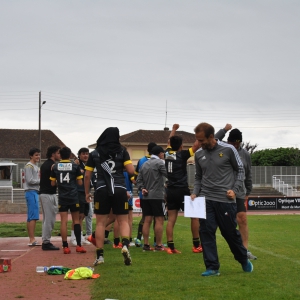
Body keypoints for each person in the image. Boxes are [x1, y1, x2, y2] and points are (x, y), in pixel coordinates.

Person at [191, 122, 253, 276]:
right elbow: (198, 177)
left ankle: (243, 258)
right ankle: (212, 267)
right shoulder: (199, 154)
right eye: (197, 140)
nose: (199, 143)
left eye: (201, 140)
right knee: (206, 231)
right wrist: (195, 192)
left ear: (211, 137)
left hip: (226, 200)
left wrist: (235, 190)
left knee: (229, 233)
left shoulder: (228, 149)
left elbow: (240, 171)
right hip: (206, 199)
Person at [84, 127, 135, 266]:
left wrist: (87, 193)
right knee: (123, 221)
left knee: (100, 223)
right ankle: (124, 245)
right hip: (119, 189)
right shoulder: (122, 151)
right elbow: (131, 171)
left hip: (101, 189)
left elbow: (87, 175)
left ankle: (100, 256)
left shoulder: (95, 153)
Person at [215, 128, 257, 260]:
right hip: (223, 191)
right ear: (228, 141)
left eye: (239, 143)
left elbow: (248, 173)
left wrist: (247, 191)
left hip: (239, 191)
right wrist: (224, 129)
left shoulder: (245, 154)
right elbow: (214, 138)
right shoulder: (221, 149)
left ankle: (244, 251)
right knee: (221, 222)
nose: (236, 145)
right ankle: (209, 247)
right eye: (234, 142)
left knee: (242, 219)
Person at [164, 124, 202, 254]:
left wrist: (173, 129)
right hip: (182, 190)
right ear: (181, 146)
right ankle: (196, 245)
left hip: (170, 190)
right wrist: (199, 133)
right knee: (194, 217)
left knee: (171, 219)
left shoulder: (167, 153)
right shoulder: (183, 154)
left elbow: (169, 141)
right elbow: (197, 146)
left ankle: (170, 247)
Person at [50, 147, 87, 254]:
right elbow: (80, 183)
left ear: (60, 155)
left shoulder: (55, 166)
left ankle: (65, 246)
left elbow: (52, 184)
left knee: (63, 221)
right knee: (76, 221)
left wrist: (61, 184)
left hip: (62, 197)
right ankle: (79, 245)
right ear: (70, 155)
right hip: (73, 196)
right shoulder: (75, 166)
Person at [136, 145, 167, 251]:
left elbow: (138, 180)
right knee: (159, 220)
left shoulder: (144, 164)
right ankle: (158, 245)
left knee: (147, 220)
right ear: (160, 153)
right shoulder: (160, 163)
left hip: (146, 195)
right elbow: (167, 174)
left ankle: (146, 244)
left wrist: (142, 188)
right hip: (157, 195)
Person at [134, 142, 157, 247]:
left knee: (145, 217)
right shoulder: (159, 161)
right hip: (156, 194)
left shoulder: (141, 160)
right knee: (157, 217)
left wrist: (141, 186)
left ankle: (138, 239)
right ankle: (157, 241)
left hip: (144, 193)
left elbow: (135, 177)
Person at [39, 145, 61, 250]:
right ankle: (46, 242)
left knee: (48, 219)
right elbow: (54, 182)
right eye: (58, 153)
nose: (60, 155)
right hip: (48, 194)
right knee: (49, 219)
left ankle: (46, 240)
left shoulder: (46, 164)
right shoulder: (52, 165)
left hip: (46, 193)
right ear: (53, 154)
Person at [70, 148, 92, 246]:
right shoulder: (76, 165)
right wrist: (75, 164)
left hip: (86, 193)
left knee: (83, 216)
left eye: (87, 154)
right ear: (79, 155)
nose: (85, 156)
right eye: (83, 154)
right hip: (78, 192)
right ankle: (73, 237)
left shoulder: (89, 165)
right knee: (77, 216)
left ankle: (80, 237)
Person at [24, 148, 41, 246]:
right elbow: (29, 180)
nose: (38, 157)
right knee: (32, 216)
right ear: (31, 156)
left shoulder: (35, 166)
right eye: (36, 155)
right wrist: (41, 181)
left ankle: (32, 238)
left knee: (32, 216)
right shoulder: (29, 166)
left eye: (38, 155)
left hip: (34, 191)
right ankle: (32, 239)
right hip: (31, 191)